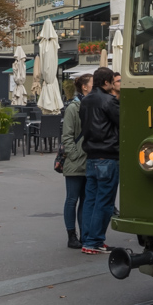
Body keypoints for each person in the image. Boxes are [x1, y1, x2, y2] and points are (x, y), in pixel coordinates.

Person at [79, 67, 120, 255]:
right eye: (112, 81)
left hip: (91, 156)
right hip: (108, 155)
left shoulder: (85, 101)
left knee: (90, 200)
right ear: (106, 82)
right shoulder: (109, 100)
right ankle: (95, 240)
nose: (113, 84)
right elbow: (122, 121)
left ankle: (87, 239)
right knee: (104, 201)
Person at [60, 73, 93, 249]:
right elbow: (67, 135)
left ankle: (84, 234)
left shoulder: (92, 105)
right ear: (85, 87)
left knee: (85, 200)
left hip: (89, 161)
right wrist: (73, 155)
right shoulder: (74, 107)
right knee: (72, 199)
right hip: (75, 162)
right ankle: (71, 235)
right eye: (92, 84)